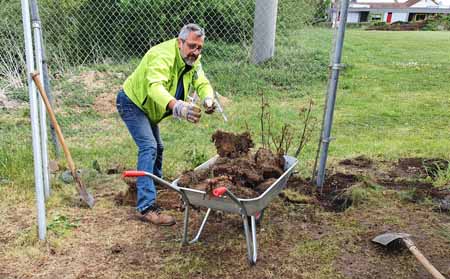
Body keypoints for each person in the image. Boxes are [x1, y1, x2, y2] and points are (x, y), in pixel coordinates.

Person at [116, 23, 216, 226]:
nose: (195, 52)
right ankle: (146, 208)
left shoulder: (192, 60)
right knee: (149, 146)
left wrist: (208, 99)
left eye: (199, 48)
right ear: (180, 42)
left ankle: (155, 186)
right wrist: (177, 106)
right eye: (191, 46)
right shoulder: (161, 55)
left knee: (158, 147)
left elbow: (201, 81)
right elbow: (155, 88)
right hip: (133, 103)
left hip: (150, 109)